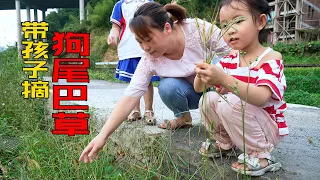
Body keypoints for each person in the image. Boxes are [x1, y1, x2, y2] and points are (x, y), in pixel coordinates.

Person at [79, 2, 229, 163]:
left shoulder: (196, 28)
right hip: (192, 93)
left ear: (167, 28)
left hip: (219, 86)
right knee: (167, 86)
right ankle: (184, 118)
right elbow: (130, 96)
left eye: (148, 39)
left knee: (221, 78)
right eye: (140, 42)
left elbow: (232, 48)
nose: (145, 48)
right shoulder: (149, 59)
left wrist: (226, 77)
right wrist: (103, 135)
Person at [194, 0, 288, 176]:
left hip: (266, 129)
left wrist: (224, 79)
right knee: (208, 99)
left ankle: (261, 155)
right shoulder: (230, 59)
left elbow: (261, 97)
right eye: (224, 25)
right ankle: (224, 143)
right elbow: (200, 89)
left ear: (260, 22)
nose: (230, 30)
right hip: (239, 124)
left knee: (231, 101)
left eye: (238, 21)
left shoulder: (270, 58)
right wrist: (201, 73)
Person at [108, 0, 159, 124]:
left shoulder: (149, 2)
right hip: (128, 48)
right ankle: (135, 110)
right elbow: (116, 27)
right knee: (133, 81)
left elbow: (157, 24)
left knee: (147, 81)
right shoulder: (120, 5)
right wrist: (113, 36)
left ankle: (148, 110)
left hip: (146, 48)